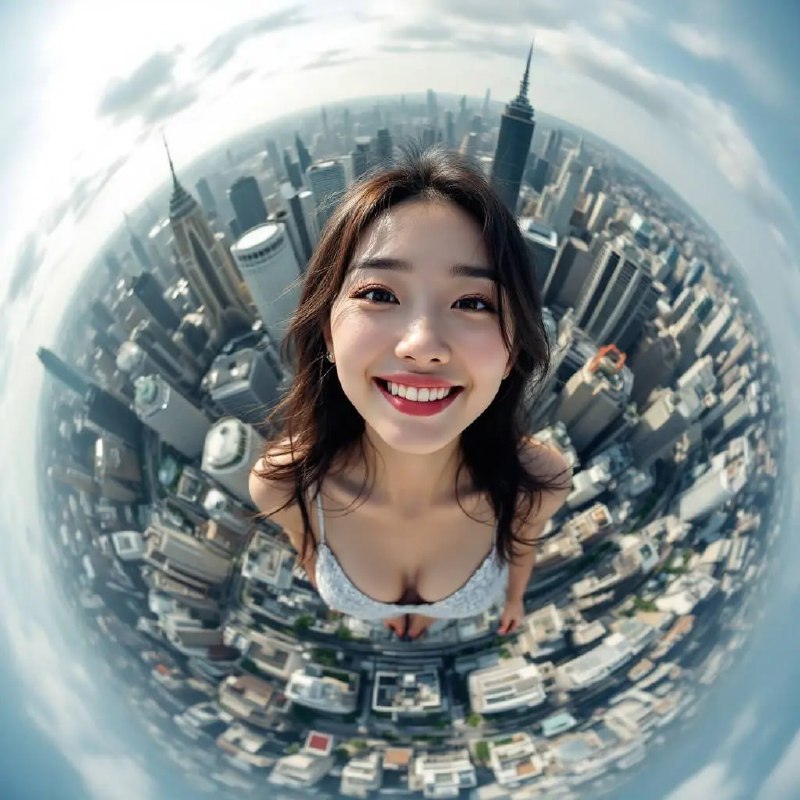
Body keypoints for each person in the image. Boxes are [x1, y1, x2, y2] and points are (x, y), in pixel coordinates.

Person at [249, 145, 572, 641]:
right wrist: (350, 599)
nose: (421, 345)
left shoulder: (537, 484)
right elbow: (306, 548)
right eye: (378, 294)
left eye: (472, 302)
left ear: (511, 353)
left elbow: (523, 547)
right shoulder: (283, 485)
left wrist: (514, 599)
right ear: (330, 335)